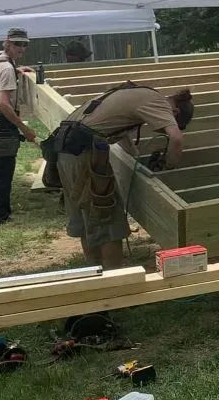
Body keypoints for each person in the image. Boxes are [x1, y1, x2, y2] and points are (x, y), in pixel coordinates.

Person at [49, 83, 194, 269]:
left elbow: (120, 134)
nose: (159, 129)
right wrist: (169, 166)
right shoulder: (160, 104)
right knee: (107, 215)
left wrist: (135, 160)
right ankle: (114, 275)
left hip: (66, 149)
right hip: (85, 153)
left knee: (86, 212)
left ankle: (93, 269)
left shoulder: (140, 94)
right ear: (175, 111)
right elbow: (176, 139)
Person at [0, 28, 37, 226]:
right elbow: (4, 104)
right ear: (7, 42)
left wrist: (17, 69)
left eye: (24, 44)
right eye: (17, 44)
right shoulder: (6, 68)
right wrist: (25, 128)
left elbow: (2, 71)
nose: (21, 48)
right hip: (3, 126)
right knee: (3, 174)